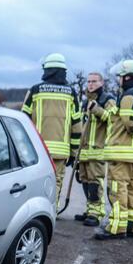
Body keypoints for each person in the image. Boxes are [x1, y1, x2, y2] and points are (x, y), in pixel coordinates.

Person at [95, 60, 133, 240]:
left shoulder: (128, 95)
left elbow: (129, 121)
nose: (119, 80)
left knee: (117, 189)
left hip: (121, 152)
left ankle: (117, 228)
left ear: (128, 77)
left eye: (121, 76)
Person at [21, 53, 82, 201]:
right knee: (56, 182)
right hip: (61, 151)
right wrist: (74, 153)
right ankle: (52, 212)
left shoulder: (35, 90)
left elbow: (23, 119)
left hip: (37, 150)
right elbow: (77, 126)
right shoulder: (71, 93)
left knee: (35, 182)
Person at [75, 72, 116, 226]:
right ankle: (89, 210)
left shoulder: (108, 99)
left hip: (98, 149)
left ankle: (97, 213)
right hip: (84, 150)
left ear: (101, 83)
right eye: (89, 81)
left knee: (95, 182)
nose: (90, 84)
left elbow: (112, 120)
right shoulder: (86, 102)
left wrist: (97, 110)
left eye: (94, 81)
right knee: (85, 181)